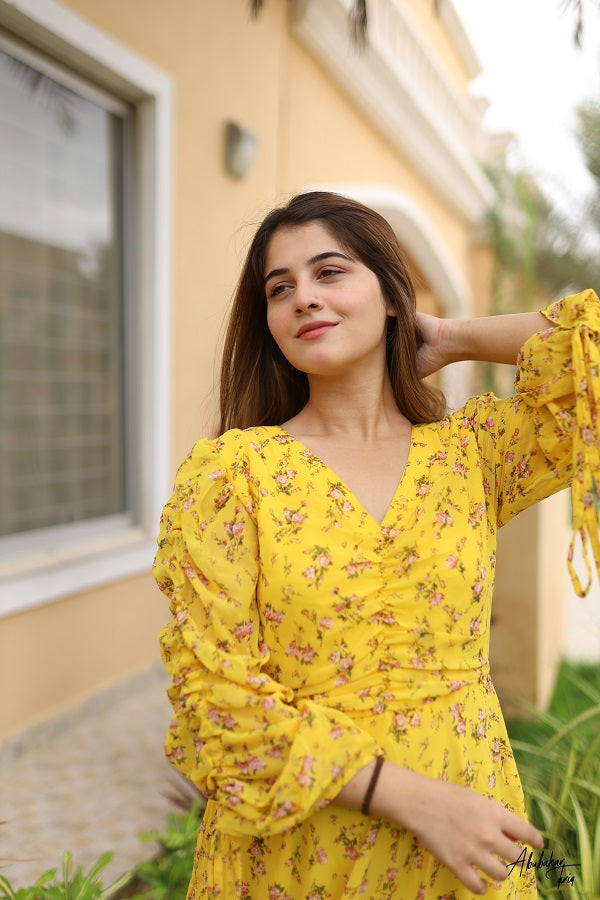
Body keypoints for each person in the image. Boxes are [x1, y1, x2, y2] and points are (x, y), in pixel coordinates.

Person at [153, 191, 600, 899]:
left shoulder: (473, 455)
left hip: (467, 847)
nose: (303, 298)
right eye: (280, 288)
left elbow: (592, 353)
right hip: (300, 854)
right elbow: (214, 702)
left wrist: (453, 338)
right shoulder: (233, 475)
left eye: (330, 273)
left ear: (392, 296)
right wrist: (418, 802)